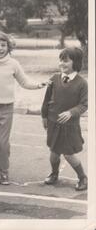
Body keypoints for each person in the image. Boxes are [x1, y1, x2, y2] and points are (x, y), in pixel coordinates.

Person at [0, 30, 47, 185]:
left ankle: (4, 172)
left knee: (2, 143)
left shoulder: (13, 64)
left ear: (8, 47)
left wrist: (38, 85)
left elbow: (24, 81)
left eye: (3, 45)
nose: (0, 48)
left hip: (6, 108)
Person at [41, 47, 88, 191]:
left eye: (66, 61)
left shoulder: (82, 83)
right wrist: (44, 116)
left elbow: (84, 104)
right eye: (61, 60)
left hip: (69, 126)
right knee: (54, 154)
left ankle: (83, 178)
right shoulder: (54, 79)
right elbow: (46, 99)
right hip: (53, 123)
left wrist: (71, 112)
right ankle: (54, 174)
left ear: (76, 62)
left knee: (68, 154)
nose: (62, 63)